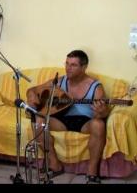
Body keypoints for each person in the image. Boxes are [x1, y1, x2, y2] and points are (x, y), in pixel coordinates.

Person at [26, 50, 110, 184]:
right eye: (66, 63)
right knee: (39, 121)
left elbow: (104, 113)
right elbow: (33, 90)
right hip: (62, 119)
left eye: (73, 65)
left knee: (99, 124)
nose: (68, 68)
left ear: (84, 67)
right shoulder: (59, 82)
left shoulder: (95, 86)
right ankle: (54, 164)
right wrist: (31, 95)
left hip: (84, 121)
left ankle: (92, 171)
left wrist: (101, 111)